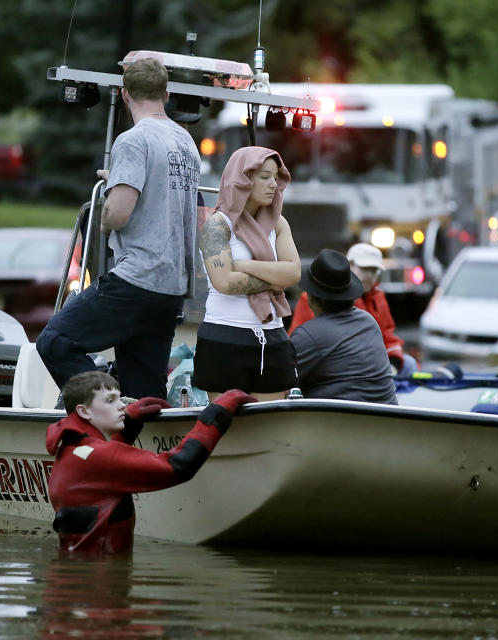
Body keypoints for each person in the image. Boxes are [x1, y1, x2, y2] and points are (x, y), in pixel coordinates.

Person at [36, 56, 200, 400]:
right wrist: (124, 179)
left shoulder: (133, 140)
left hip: (137, 278)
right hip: (171, 288)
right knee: (145, 388)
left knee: (55, 342)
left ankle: (106, 406)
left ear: (125, 95)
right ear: (166, 95)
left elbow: (118, 214)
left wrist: (109, 203)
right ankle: (133, 440)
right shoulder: (187, 144)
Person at [46, 370, 255, 555]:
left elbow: (106, 470)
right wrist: (218, 411)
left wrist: (129, 425)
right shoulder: (98, 458)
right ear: (84, 411)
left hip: (81, 577)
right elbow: (179, 466)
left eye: (120, 398)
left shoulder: (71, 452)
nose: (121, 406)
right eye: (110, 400)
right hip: (102, 587)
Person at [194, 146, 302, 401]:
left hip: (273, 336)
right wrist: (276, 278)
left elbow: (294, 274)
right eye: (264, 177)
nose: (273, 184)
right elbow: (225, 283)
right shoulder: (218, 225)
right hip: (225, 335)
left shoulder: (278, 223)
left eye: (276, 177)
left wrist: (246, 265)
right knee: (225, 429)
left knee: (269, 428)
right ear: (242, 180)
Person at [290, 249, 398, 404]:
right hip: (388, 421)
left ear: (311, 297)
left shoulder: (307, 335)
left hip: (341, 423)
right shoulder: (369, 321)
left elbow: (279, 381)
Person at [288, 242, 413, 375]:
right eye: (365, 269)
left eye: (374, 270)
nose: (369, 275)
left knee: (408, 363)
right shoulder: (315, 298)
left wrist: (394, 363)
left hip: (371, 361)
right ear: (350, 265)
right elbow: (299, 343)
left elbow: (388, 336)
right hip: (341, 364)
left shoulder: (378, 297)